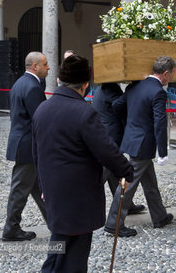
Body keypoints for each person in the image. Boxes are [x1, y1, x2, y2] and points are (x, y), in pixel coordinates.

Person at [33, 55, 133, 272]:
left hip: (54, 190)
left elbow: (37, 154)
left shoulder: (42, 109)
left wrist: (43, 185)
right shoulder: (83, 112)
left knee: (60, 245)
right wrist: (126, 170)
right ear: (85, 85)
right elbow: (106, 149)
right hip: (78, 195)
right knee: (74, 254)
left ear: (60, 80)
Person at [105, 56, 176, 237]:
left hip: (132, 139)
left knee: (150, 183)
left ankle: (159, 216)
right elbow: (160, 123)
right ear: (166, 74)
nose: (173, 77)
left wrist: (130, 124)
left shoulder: (135, 86)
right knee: (127, 185)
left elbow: (117, 105)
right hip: (143, 144)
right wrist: (163, 152)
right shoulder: (158, 92)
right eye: (173, 74)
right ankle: (113, 224)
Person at [2, 52, 49, 241]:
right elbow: (40, 119)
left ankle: (56, 222)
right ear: (35, 66)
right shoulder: (32, 87)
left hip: (24, 143)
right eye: (45, 64)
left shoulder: (21, 83)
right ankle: (11, 229)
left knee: (39, 187)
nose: (49, 67)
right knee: (20, 190)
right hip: (28, 146)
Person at [92, 82, 145, 214]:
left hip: (107, 134)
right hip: (112, 136)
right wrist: (131, 92)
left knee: (115, 175)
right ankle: (83, 204)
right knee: (102, 175)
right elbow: (120, 107)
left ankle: (125, 204)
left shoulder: (103, 87)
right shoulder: (110, 88)